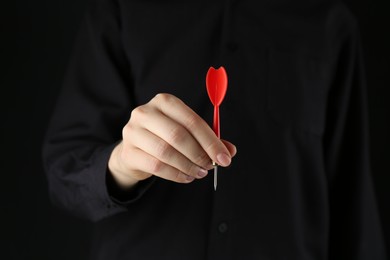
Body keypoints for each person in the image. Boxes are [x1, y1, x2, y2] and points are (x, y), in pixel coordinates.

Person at [42, 0, 388, 259]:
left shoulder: (329, 21)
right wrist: (120, 164)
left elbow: (350, 192)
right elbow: (65, 170)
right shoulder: (121, 9)